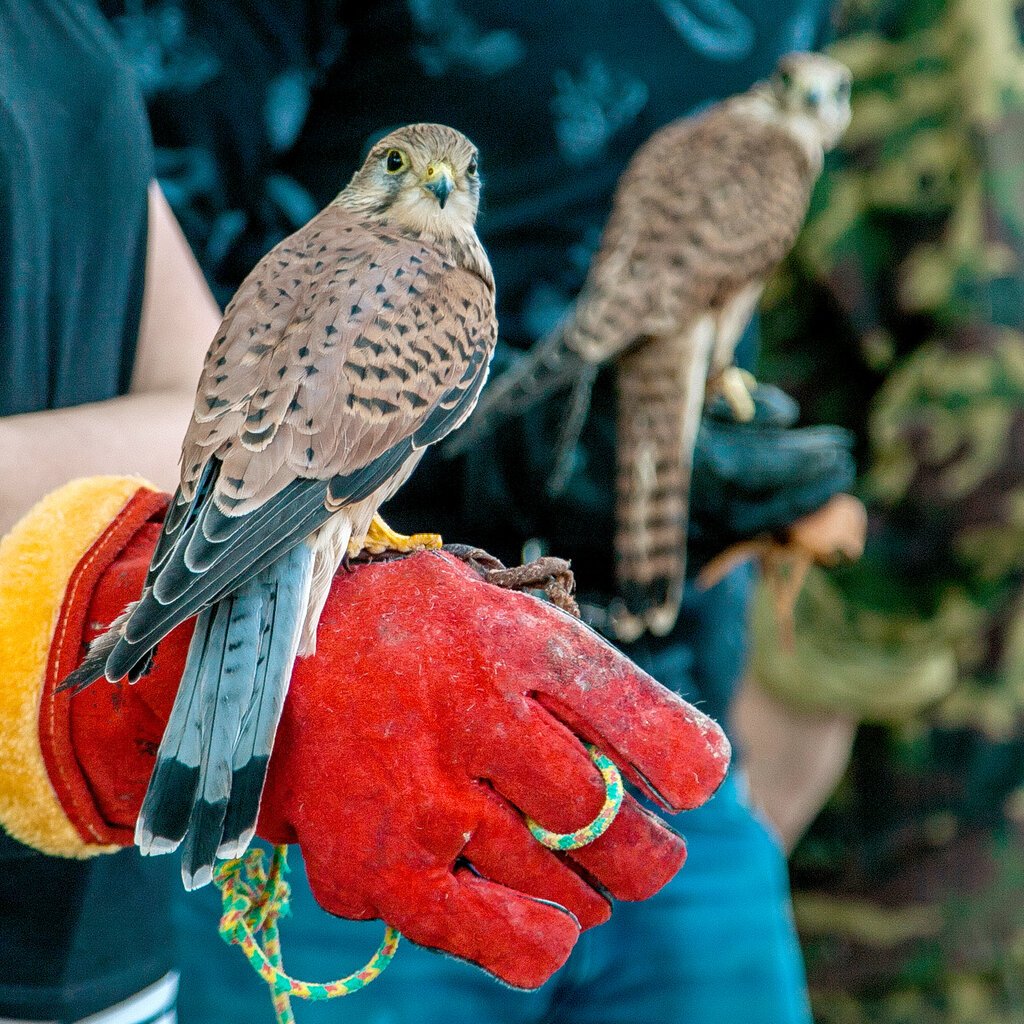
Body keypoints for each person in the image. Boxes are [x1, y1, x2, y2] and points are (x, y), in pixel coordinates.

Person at [99, 3, 855, 1022]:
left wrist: (689, 447)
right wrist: (494, 460)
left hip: (653, 707)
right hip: (351, 707)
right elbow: (128, 256)